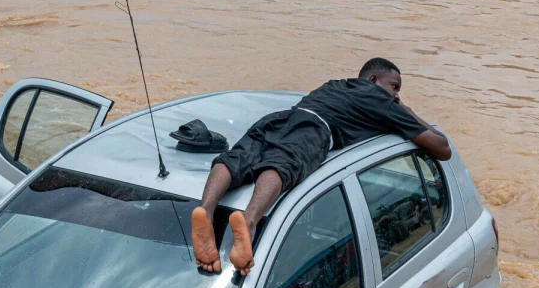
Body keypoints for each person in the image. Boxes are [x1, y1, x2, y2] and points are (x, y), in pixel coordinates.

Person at [190, 57, 452, 275]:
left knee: (236, 158)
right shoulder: (380, 100)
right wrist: (406, 110)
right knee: (283, 164)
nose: (395, 95)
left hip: (282, 118)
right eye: (394, 87)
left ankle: (206, 210)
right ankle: (248, 221)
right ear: (373, 80)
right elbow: (442, 148)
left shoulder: (335, 85)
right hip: (314, 130)